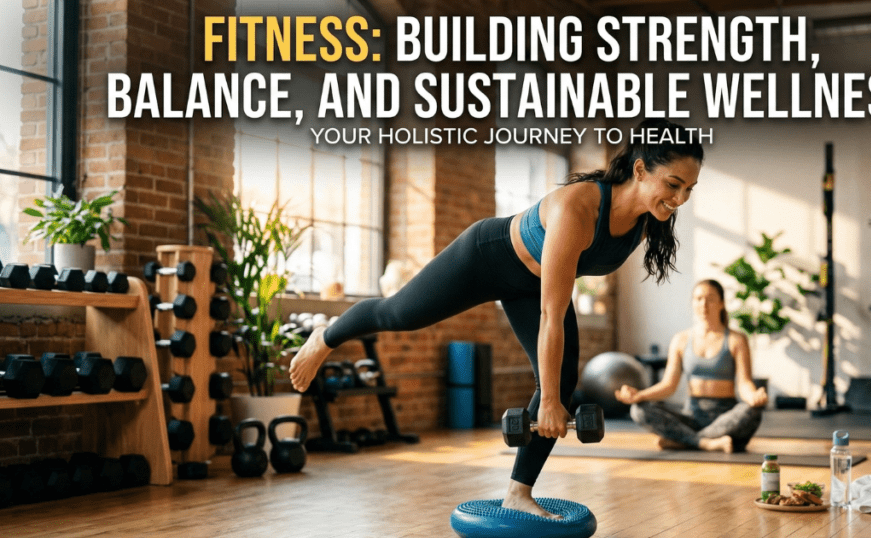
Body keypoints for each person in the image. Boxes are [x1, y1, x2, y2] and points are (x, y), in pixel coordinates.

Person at [288, 118, 704, 519]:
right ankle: (326, 337)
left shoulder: (647, 220)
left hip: (531, 286)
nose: (680, 198)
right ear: (639, 169)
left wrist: (555, 393)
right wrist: (553, 405)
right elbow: (551, 315)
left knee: (560, 379)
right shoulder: (579, 209)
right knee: (399, 314)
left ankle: (517, 494)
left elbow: (548, 300)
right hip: (487, 258)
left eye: (689, 188)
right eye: (673, 184)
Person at [614, 279, 766, 453]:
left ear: (722, 303)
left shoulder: (736, 340)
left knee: (752, 411)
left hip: (725, 418)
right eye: (698, 299)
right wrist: (639, 395)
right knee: (638, 410)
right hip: (691, 416)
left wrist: (754, 396)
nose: (703, 304)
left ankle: (685, 440)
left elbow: (744, 382)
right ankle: (706, 443)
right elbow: (668, 385)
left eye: (710, 299)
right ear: (692, 303)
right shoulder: (681, 340)